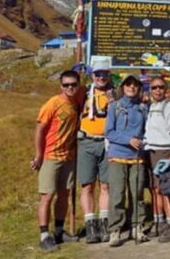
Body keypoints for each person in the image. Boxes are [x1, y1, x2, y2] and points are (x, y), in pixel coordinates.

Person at [31, 70, 83, 252]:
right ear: (61, 86)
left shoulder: (76, 100)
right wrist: (39, 155)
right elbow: (40, 129)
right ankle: (44, 236)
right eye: (66, 85)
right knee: (47, 196)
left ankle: (59, 231)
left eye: (73, 84)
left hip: (68, 156)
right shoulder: (52, 103)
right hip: (51, 156)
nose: (70, 88)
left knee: (64, 194)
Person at [104, 74, 148, 247]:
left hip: (137, 157)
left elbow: (146, 130)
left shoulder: (143, 108)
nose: (131, 87)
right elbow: (109, 132)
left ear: (139, 88)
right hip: (117, 155)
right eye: (128, 84)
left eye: (135, 85)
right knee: (117, 194)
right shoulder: (114, 107)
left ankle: (137, 227)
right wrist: (129, 140)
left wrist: (142, 141)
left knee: (137, 194)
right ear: (122, 87)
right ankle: (115, 230)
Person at [77, 57, 114, 243]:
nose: (101, 77)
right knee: (87, 185)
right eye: (98, 74)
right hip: (87, 142)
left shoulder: (114, 93)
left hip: (107, 143)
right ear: (92, 75)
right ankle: (91, 224)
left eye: (104, 74)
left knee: (106, 185)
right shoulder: (84, 93)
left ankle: (105, 222)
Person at [143, 75, 170, 243]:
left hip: (165, 151)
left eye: (161, 87)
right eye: (154, 87)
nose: (158, 90)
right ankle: (159, 222)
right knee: (155, 190)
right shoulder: (151, 106)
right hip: (151, 151)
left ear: (165, 89)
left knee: (167, 191)